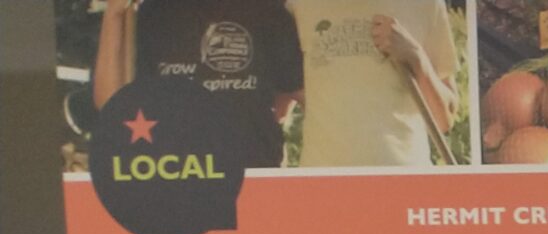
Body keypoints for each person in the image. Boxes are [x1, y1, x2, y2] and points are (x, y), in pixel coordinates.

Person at [90, 0, 303, 167]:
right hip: (178, 180)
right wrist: (114, 13)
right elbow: (110, 103)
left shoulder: (269, 12)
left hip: (254, 178)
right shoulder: (152, 14)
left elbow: (295, 97)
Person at [287, 0, 459, 168]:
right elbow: (279, 96)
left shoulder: (426, 5)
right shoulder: (298, 5)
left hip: (403, 181)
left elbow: (444, 119)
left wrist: (416, 57)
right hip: (324, 182)